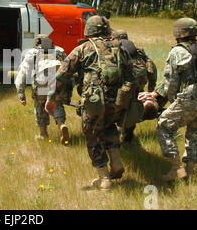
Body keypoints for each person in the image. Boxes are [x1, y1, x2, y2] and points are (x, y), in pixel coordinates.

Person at [45, 16, 135, 190]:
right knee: (109, 128)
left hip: (94, 101)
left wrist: (51, 99)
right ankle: (116, 163)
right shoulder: (120, 48)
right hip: (117, 100)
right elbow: (132, 75)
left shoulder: (83, 48)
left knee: (92, 134)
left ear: (89, 31)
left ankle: (104, 179)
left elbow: (62, 75)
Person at [149, 18, 197, 181]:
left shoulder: (177, 51)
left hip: (192, 95)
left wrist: (170, 100)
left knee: (164, 125)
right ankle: (190, 172)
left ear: (177, 33)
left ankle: (176, 168)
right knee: (195, 132)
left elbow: (171, 82)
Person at [15, 34, 70, 145]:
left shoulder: (32, 53)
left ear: (37, 42)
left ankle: (43, 134)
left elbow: (23, 73)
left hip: (41, 85)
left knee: (40, 106)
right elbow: (67, 68)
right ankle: (61, 125)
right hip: (57, 84)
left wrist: (21, 92)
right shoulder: (60, 51)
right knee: (57, 104)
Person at [112, 29, 158, 142]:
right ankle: (128, 136)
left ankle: (113, 137)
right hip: (139, 86)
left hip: (123, 85)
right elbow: (151, 67)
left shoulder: (115, 49)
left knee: (117, 109)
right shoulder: (139, 52)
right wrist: (151, 89)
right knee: (134, 108)